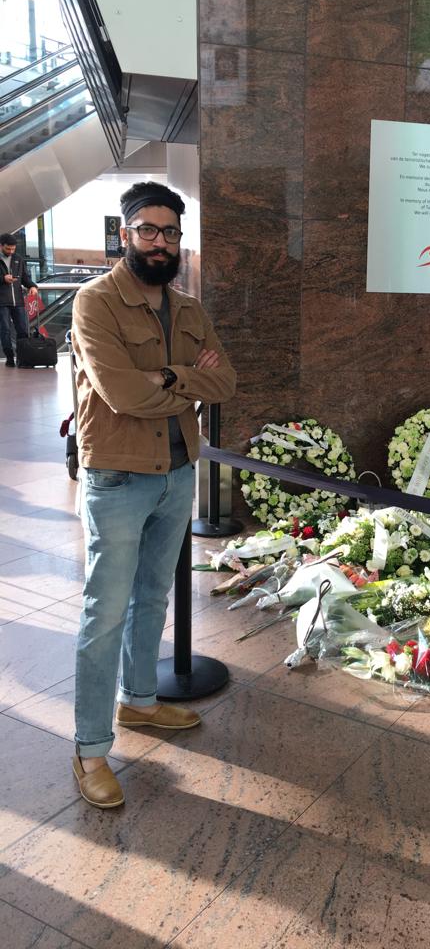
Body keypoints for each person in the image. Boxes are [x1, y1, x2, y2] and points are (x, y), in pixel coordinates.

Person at [70, 181, 236, 809]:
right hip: (117, 474)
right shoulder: (95, 304)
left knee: (153, 595)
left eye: (170, 232)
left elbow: (226, 380)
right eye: (148, 230)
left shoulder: (189, 308)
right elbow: (123, 395)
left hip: (176, 471)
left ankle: (140, 703)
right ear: (125, 234)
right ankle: (89, 750)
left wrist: (167, 375)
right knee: (104, 610)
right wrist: (186, 382)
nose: (160, 242)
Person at [0, 232, 39, 367]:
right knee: (5, 330)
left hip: (18, 300)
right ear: (1, 246)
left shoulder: (18, 259)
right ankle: (9, 357)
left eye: (13, 249)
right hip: (2, 302)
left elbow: (25, 278)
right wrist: (3, 279)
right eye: (7, 249)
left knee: (22, 329)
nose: (10, 251)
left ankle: (23, 358)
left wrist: (32, 286)